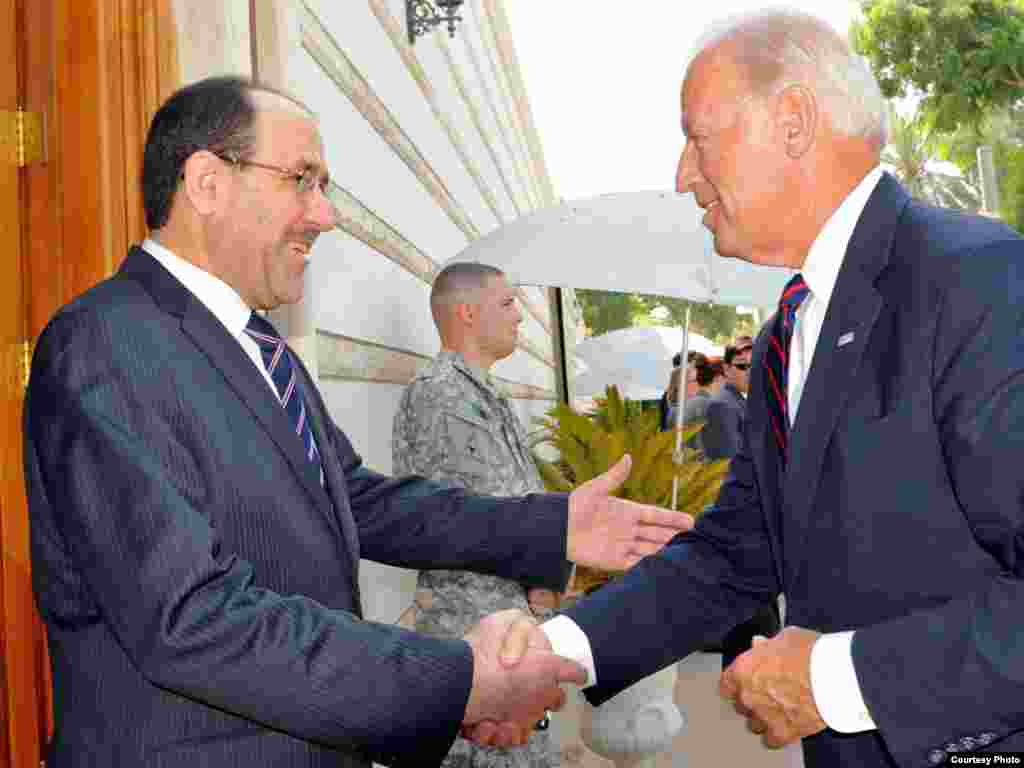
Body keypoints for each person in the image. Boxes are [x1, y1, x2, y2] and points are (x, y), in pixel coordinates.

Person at [22, 75, 695, 768]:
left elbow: (358, 499)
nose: (326, 215)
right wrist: (458, 681)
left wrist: (550, 527)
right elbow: (191, 618)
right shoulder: (109, 345)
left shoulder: (257, 345)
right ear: (206, 182)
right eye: (302, 180)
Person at [487, 9, 1024, 767]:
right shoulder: (787, 335)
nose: (681, 175)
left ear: (794, 121)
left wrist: (835, 682)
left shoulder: (978, 282)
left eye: (697, 137)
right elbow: (736, 553)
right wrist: (553, 651)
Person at [392, 261, 561, 768]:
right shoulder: (444, 395)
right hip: (476, 639)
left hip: (504, 629)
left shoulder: (480, 392)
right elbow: (507, 512)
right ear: (467, 313)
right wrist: (551, 572)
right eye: (507, 303)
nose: (519, 318)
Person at [700, 336, 752, 460]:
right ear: (726, 369)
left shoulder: (743, 400)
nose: (751, 371)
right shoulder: (722, 405)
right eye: (743, 366)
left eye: (756, 365)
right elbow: (730, 463)